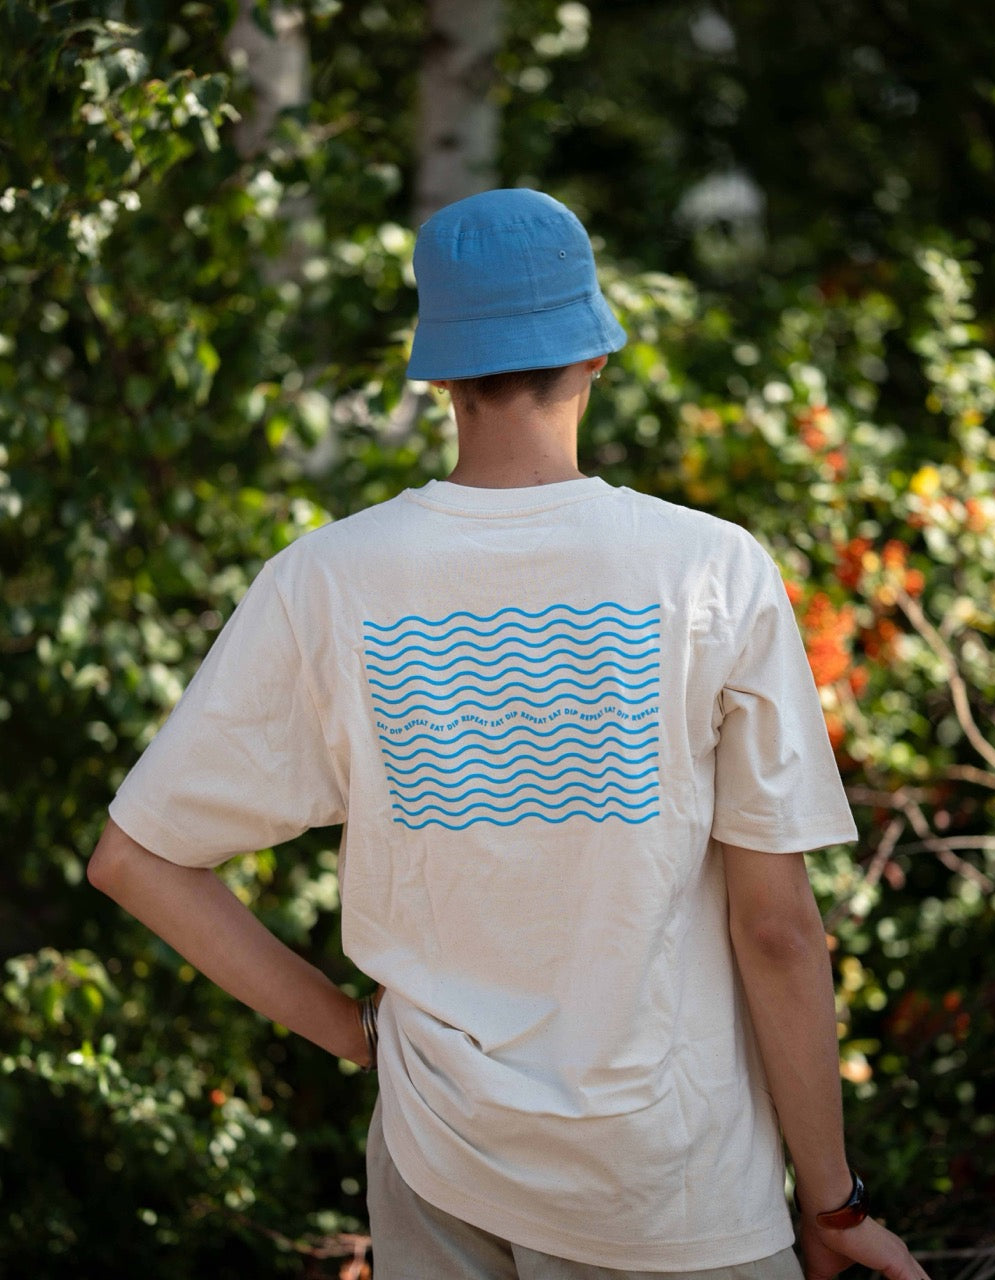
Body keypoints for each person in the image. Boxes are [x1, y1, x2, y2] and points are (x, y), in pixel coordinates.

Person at [88, 188, 930, 1280]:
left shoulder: (325, 580)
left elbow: (136, 857)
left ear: (439, 374)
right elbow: (775, 930)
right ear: (596, 354)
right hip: (670, 1187)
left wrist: (356, 1033)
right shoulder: (710, 570)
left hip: (441, 1161)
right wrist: (833, 1202)